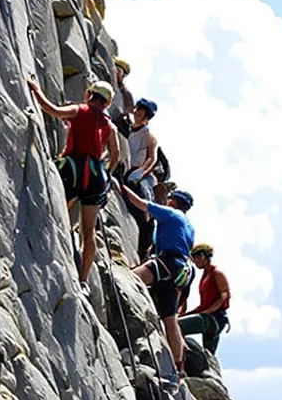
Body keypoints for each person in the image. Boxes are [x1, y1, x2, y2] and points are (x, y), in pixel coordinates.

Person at [28, 74, 124, 282]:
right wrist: (106, 172)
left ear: (89, 94)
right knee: (88, 232)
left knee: (59, 206)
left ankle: (47, 241)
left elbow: (51, 109)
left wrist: (35, 89)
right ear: (107, 103)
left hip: (73, 167)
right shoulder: (110, 126)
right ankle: (83, 280)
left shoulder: (79, 110)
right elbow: (116, 156)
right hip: (95, 175)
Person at [121, 182, 194, 373]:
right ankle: (179, 370)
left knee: (128, 279)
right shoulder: (189, 226)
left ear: (174, 202)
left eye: (170, 199)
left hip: (167, 262)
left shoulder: (171, 213)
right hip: (180, 271)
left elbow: (140, 202)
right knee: (170, 321)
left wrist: (119, 185)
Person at [179, 244, 231, 370]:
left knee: (178, 327)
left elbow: (224, 295)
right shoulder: (204, 275)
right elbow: (203, 304)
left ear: (203, 256)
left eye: (196, 258)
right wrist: (187, 314)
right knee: (208, 356)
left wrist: (209, 311)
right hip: (208, 316)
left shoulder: (217, 273)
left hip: (214, 319)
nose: (194, 262)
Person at [121, 97, 161, 254]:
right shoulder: (128, 128)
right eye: (137, 110)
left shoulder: (148, 136)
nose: (137, 113)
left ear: (146, 118)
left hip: (142, 175)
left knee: (145, 203)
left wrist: (142, 173)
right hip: (127, 170)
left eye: (141, 112)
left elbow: (153, 158)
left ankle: (147, 239)